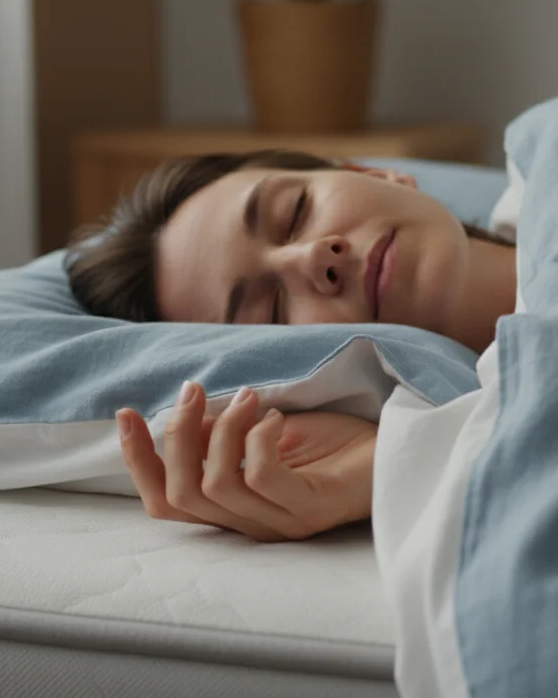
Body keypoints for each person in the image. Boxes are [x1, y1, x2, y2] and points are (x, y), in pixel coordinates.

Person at [65, 150, 519, 542]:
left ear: (373, 173)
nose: (313, 257)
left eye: (295, 212)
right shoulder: (469, 435)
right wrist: (398, 463)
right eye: (273, 310)